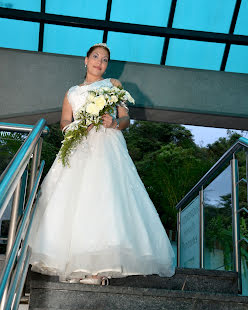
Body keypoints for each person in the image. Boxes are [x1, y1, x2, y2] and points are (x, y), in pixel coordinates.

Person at [29, 43, 175, 285]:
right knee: (75, 201)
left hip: (107, 145)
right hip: (79, 147)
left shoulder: (113, 85)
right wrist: (80, 126)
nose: (99, 62)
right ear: (85, 60)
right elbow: (65, 122)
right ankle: (75, 265)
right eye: (95, 57)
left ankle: (98, 271)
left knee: (105, 199)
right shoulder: (72, 92)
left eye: (105, 59)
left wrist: (113, 123)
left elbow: (126, 117)